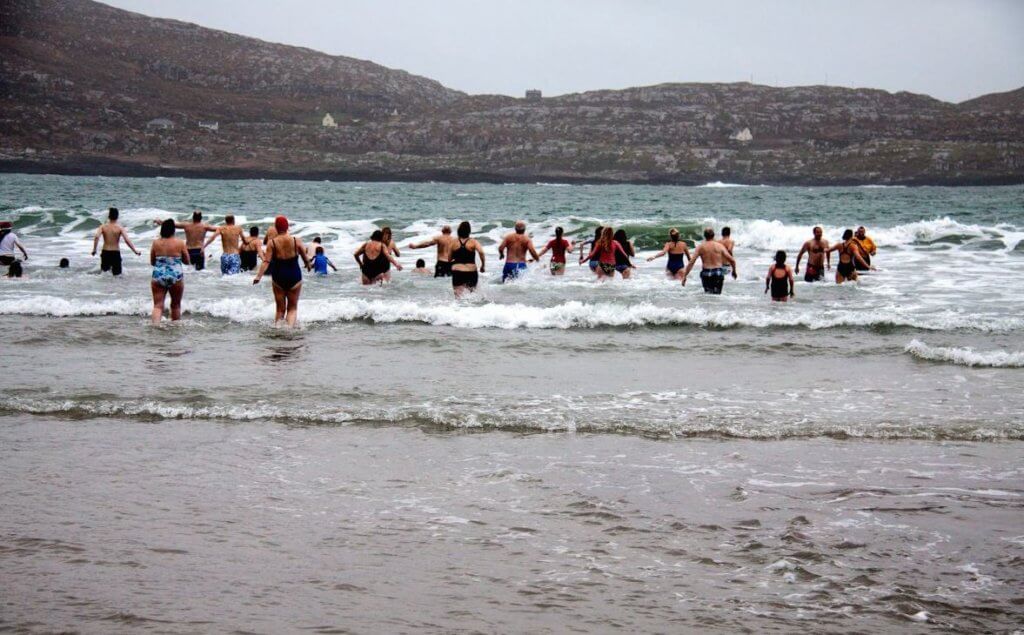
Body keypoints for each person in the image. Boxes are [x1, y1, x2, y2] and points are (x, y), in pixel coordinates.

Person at [253, 216, 312, 327]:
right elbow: (305, 258)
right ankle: (289, 331)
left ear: (276, 227)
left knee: (280, 309)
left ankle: (278, 330)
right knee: (292, 308)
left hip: (278, 276)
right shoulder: (296, 240)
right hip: (294, 276)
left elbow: (266, 261)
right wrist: (308, 265)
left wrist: (258, 276)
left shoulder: (272, 243)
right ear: (287, 227)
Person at [150, 219, 190, 325]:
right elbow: (187, 261)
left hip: (158, 274)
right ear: (173, 230)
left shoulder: (155, 242)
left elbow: (152, 261)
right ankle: (175, 327)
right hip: (175, 275)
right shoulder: (180, 243)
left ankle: (155, 326)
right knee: (175, 305)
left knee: (158, 305)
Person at [681, 228, 738, 293]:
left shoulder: (701, 247)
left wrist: (685, 276)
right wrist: (734, 271)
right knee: (717, 296)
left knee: (708, 295)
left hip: (706, 273)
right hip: (718, 273)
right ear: (713, 235)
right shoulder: (719, 246)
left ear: (705, 236)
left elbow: (692, 262)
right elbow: (732, 260)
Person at [91, 207, 140, 276]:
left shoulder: (103, 227)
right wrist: (135, 251)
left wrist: (94, 250)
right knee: (117, 276)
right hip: (115, 253)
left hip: (106, 252)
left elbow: (96, 237)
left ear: (109, 216)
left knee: (104, 275)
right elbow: (127, 240)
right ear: (117, 216)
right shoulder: (119, 228)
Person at [450, 221, 485, 297]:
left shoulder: (453, 242)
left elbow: (449, 258)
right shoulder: (473, 242)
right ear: (469, 231)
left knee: (458, 297)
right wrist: (483, 266)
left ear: (459, 230)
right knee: (472, 296)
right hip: (471, 272)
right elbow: (481, 252)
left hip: (458, 272)